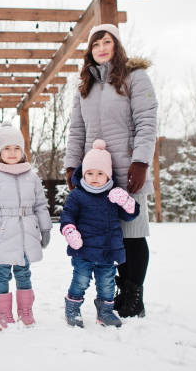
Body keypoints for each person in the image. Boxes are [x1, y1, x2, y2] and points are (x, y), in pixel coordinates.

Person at [63, 23, 157, 319]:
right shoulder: (85, 87)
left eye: (107, 42)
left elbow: (146, 122)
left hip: (128, 170)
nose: (101, 48)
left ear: (116, 45)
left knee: (132, 233)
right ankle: (117, 291)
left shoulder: (136, 78)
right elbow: (77, 130)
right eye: (95, 44)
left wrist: (141, 162)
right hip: (96, 176)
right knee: (106, 235)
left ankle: (133, 296)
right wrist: (71, 165)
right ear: (90, 52)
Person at [0, 122, 52, 330]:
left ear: (22, 152)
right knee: (2, 274)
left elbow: (41, 205)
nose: (12, 152)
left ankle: (25, 311)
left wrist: (45, 228)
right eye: (7, 148)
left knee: (24, 273)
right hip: (2, 235)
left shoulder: (31, 176)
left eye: (17, 148)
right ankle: (3, 312)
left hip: (26, 235)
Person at [61, 139, 140, 328]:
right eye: (89, 173)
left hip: (107, 250)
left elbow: (129, 216)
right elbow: (67, 215)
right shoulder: (77, 195)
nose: (94, 177)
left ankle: (104, 311)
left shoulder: (113, 195)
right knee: (80, 280)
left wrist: (126, 202)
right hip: (84, 250)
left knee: (107, 284)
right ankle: (72, 308)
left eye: (100, 173)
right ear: (83, 174)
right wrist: (70, 231)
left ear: (108, 175)